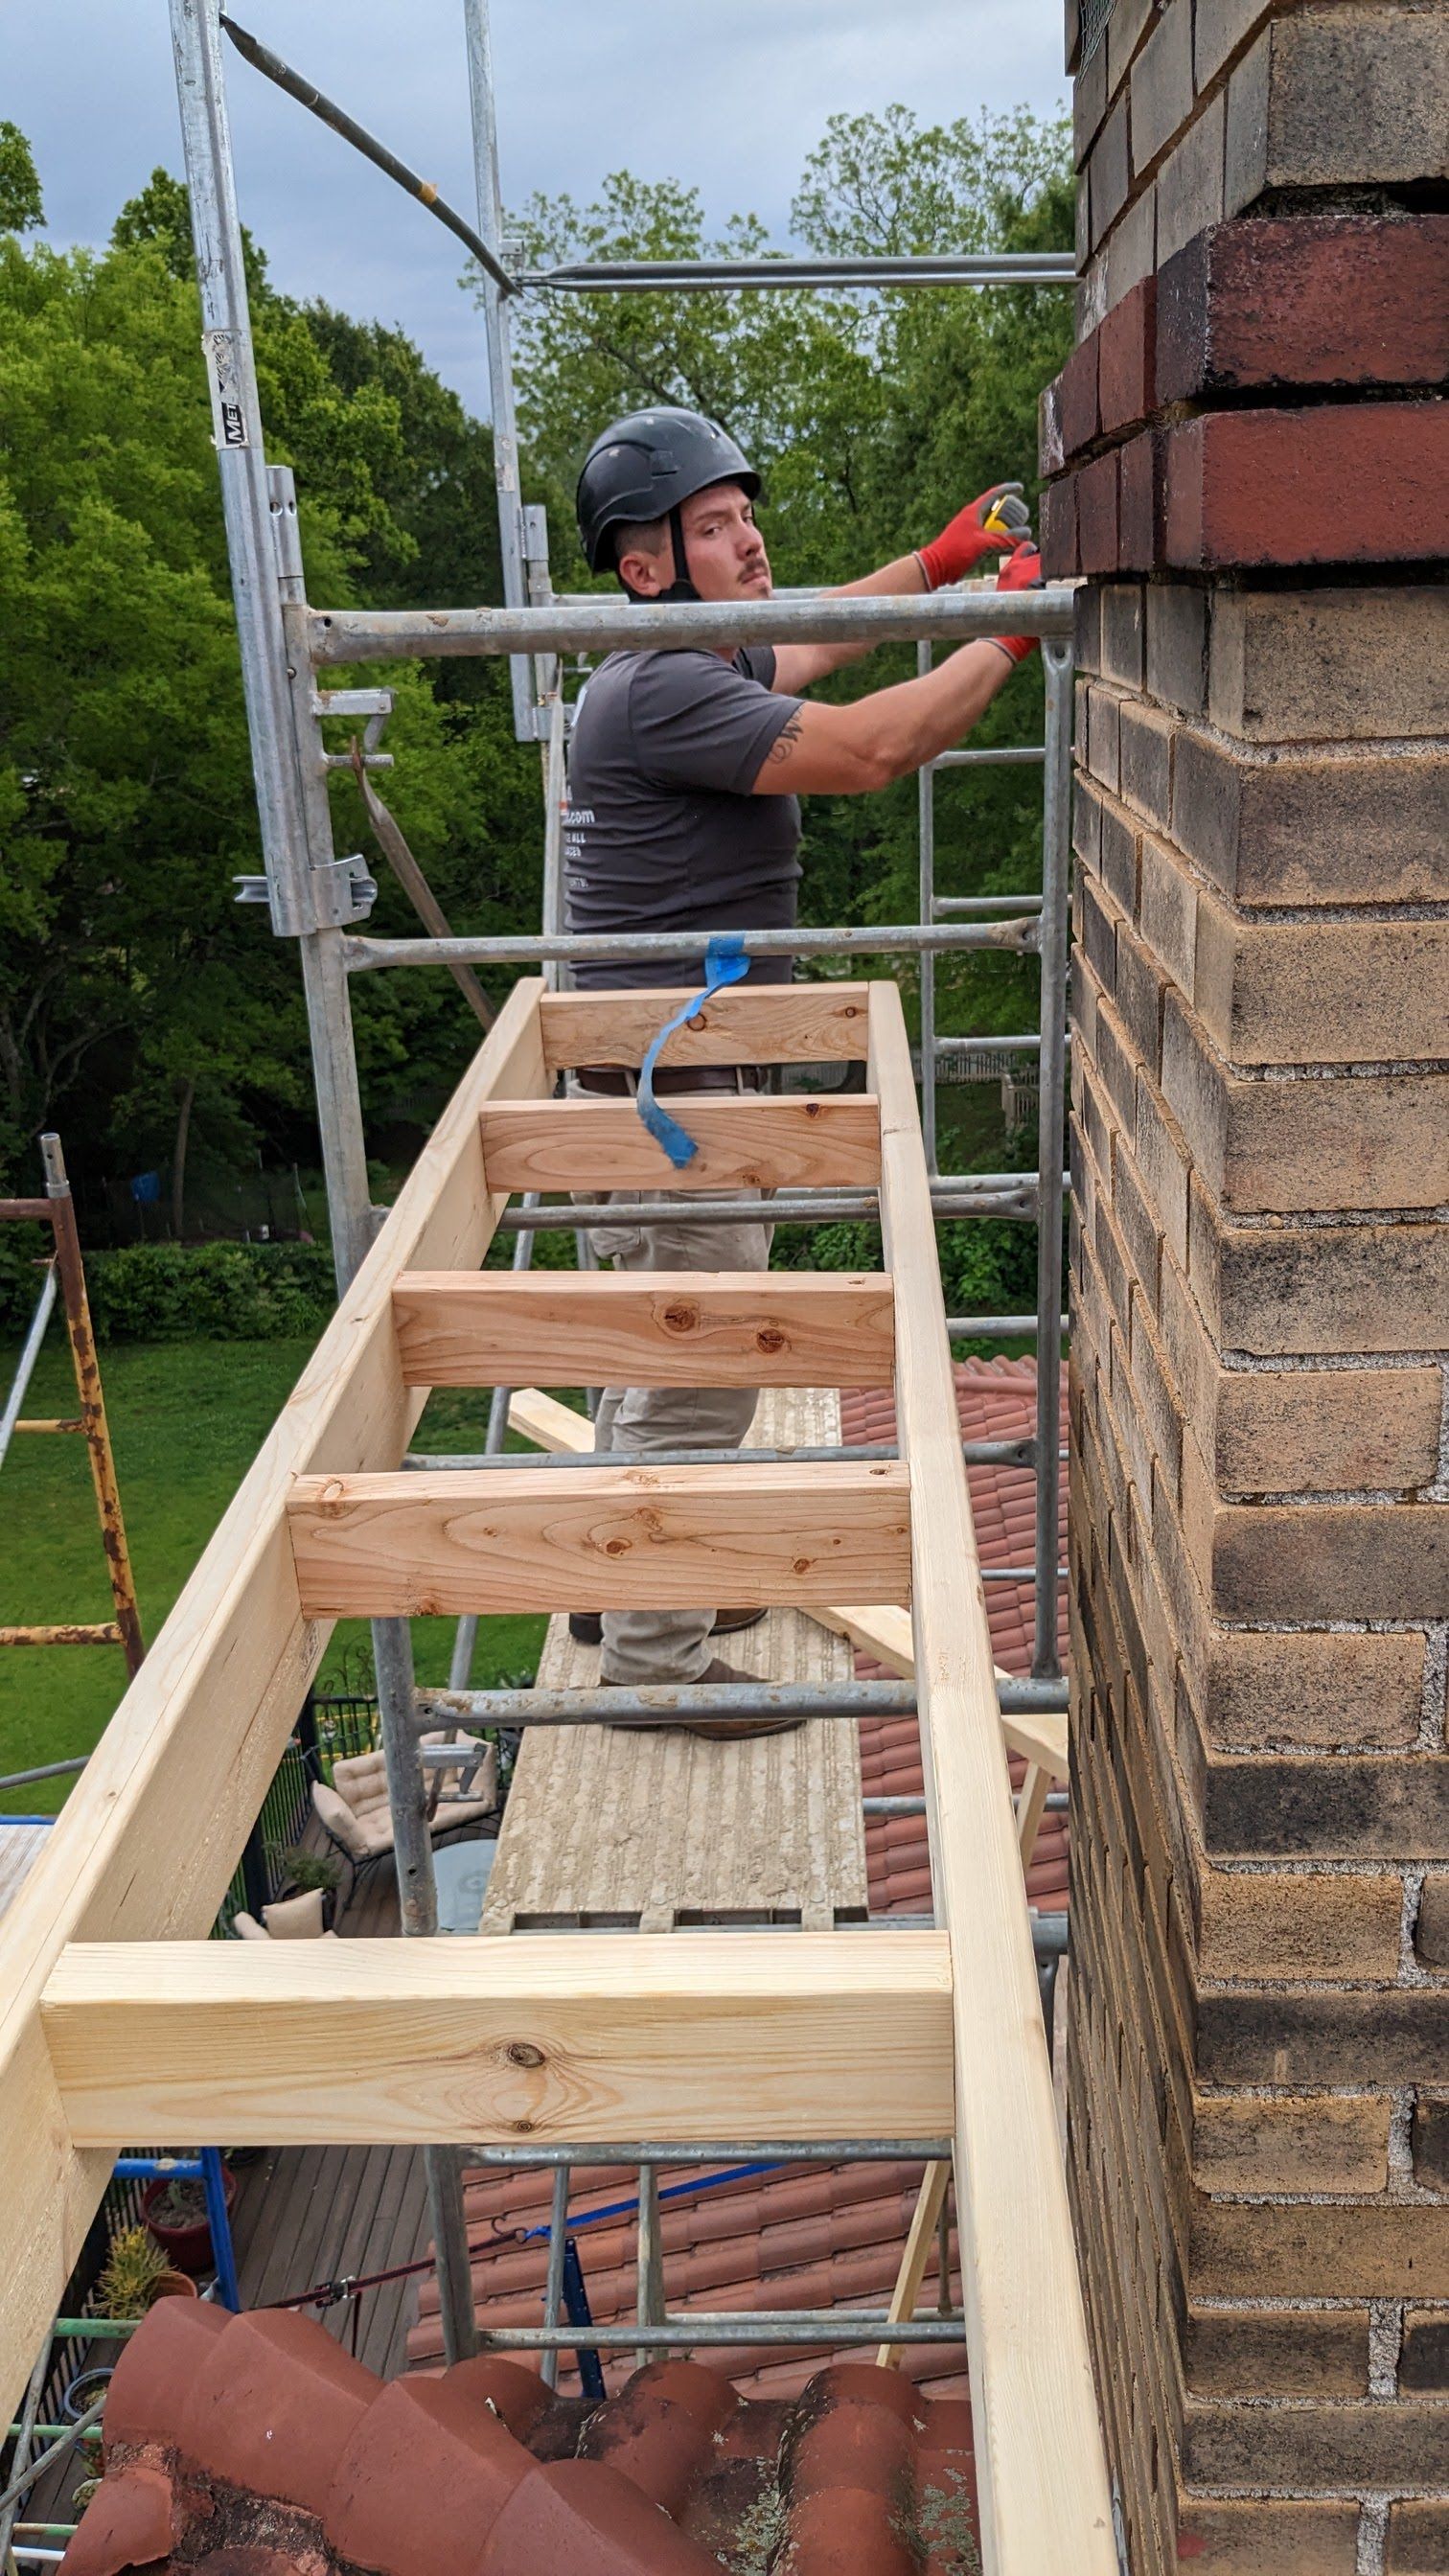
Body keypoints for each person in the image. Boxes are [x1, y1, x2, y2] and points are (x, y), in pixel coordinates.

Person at [564, 404, 1043, 1711]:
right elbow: (878, 749)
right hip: (673, 1093)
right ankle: (658, 1668)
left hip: (636, 1073)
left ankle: (619, 1595)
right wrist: (1013, 630)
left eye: (745, 512)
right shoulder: (667, 687)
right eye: (714, 526)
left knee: (648, 1353)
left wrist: (939, 571)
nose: (750, 537)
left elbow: (821, 635)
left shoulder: (672, 664)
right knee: (702, 1359)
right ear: (646, 564)